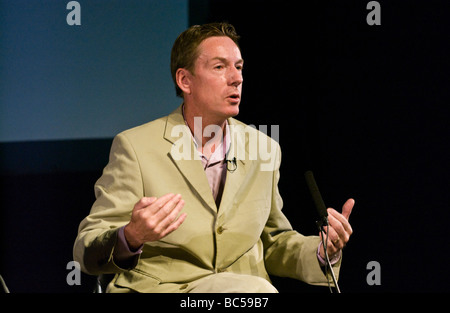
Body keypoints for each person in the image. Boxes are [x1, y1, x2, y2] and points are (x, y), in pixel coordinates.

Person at [73, 22, 354, 293]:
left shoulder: (264, 148)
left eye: (239, 67)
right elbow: (86, 250)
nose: (237, 78)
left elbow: (273, 241)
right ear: (185, 80)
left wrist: (320, 251)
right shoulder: (136, 147)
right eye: (220, 67)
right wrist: (131, 236)